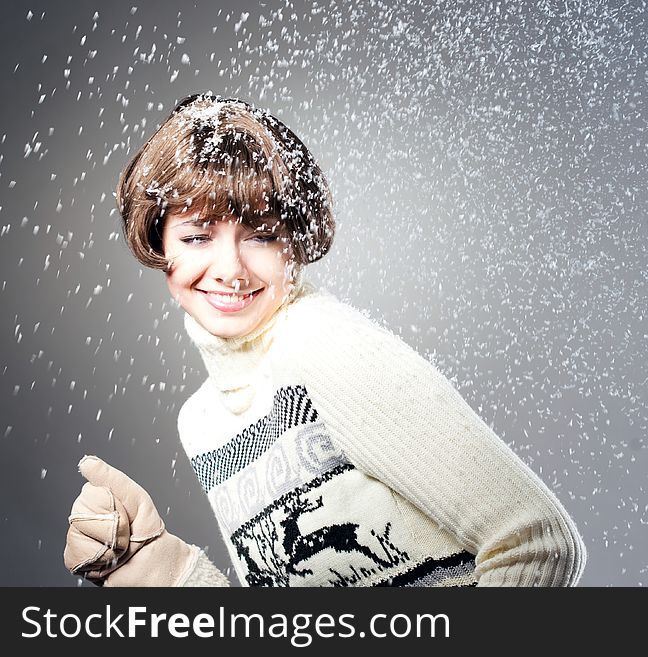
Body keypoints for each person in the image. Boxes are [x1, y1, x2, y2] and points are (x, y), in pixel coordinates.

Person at [62, 93, 587, 587]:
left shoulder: (324, 346)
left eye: (262, 235)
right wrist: (163, 570)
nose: (230, 270)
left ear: (295, 241)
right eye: (197, 236)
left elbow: (538, 544)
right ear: (158, 239)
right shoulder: (202, 424)